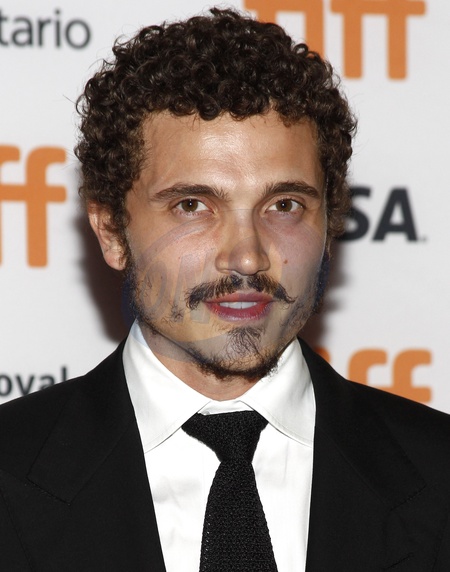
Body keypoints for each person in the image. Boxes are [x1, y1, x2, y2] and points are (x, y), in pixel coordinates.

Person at [1, 7, 450, 571]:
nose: (247, 256)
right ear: (112, 231)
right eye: (193, 205)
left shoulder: (437, 473)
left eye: (284, 205)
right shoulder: (11, 473)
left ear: (329, 224)